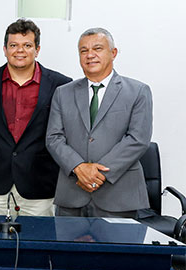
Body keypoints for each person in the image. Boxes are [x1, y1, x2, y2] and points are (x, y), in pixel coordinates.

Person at [46, 27, 153, 218]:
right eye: (83, 50)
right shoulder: (63, 92)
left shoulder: (138, 91)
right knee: (68, 249)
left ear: (113, 53)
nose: (90, 55)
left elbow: (138, 139)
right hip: (72, 195)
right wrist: (79, 168)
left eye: (97, 48)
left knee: (116, 249)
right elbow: (54, 138)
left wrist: (98, 174)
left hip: (119, 196)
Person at [0, 19, 71, 216]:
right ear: (5, 49)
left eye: (27, 45)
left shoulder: (60, 85)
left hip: (39, 184)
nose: (20, 50)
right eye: (14, 45)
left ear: (37, 50)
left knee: (38, 245)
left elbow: (64, 134)